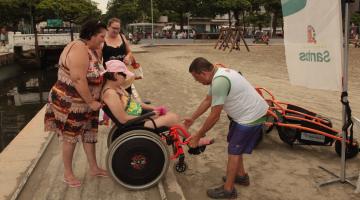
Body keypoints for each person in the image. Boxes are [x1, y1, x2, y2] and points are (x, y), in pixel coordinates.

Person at [184, 57, 269, 199]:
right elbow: (208, 100)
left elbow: (215, 115)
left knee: (234, 151)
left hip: (251, 116)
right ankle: (241, 176)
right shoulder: (217, 73)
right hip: (244, 114)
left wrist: (198, 136)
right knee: (234, 144)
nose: (197, 82)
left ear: (204, 73)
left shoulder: (219, 81)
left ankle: (228, 190)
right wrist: (192, 118)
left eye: (196, 78)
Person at [44, 19, 108, 188]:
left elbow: (96, 72)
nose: (104, 39)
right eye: (101, 36)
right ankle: (67, 173)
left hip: (88, 102)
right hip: (71, 102)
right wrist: (91, 102)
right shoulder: (78, 48)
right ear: (91, 35)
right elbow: (78, 78)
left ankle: (94, 168)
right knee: (69, 138)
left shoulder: (93, 49)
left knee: (89, 133)